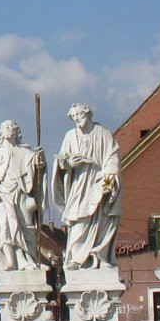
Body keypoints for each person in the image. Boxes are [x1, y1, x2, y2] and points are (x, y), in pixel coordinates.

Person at [50, 102, 122, 270]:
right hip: (79, 183)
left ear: (88, 113)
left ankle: (100, 257)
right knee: (79, 220)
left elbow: (112, 159)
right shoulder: (70, 136)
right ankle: (77, 260)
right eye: (73, 117)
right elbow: (62, 161)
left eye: (79, 115)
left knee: (102, 219)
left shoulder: (103, 133)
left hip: (98, 181)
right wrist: (68, 163)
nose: (76, 119)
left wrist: (107, 181)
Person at [0, 120, 45, 273]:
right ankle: (10, 261)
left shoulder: (26, 152)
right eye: (5, 127)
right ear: (1, 132)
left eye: (11, 126)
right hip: (2, 196)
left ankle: (27, 259)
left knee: (26, 227)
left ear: (16, 131)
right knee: (5, 228)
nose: (8, 129)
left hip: (21, 194)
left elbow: (38, 169)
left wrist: (41, 160)